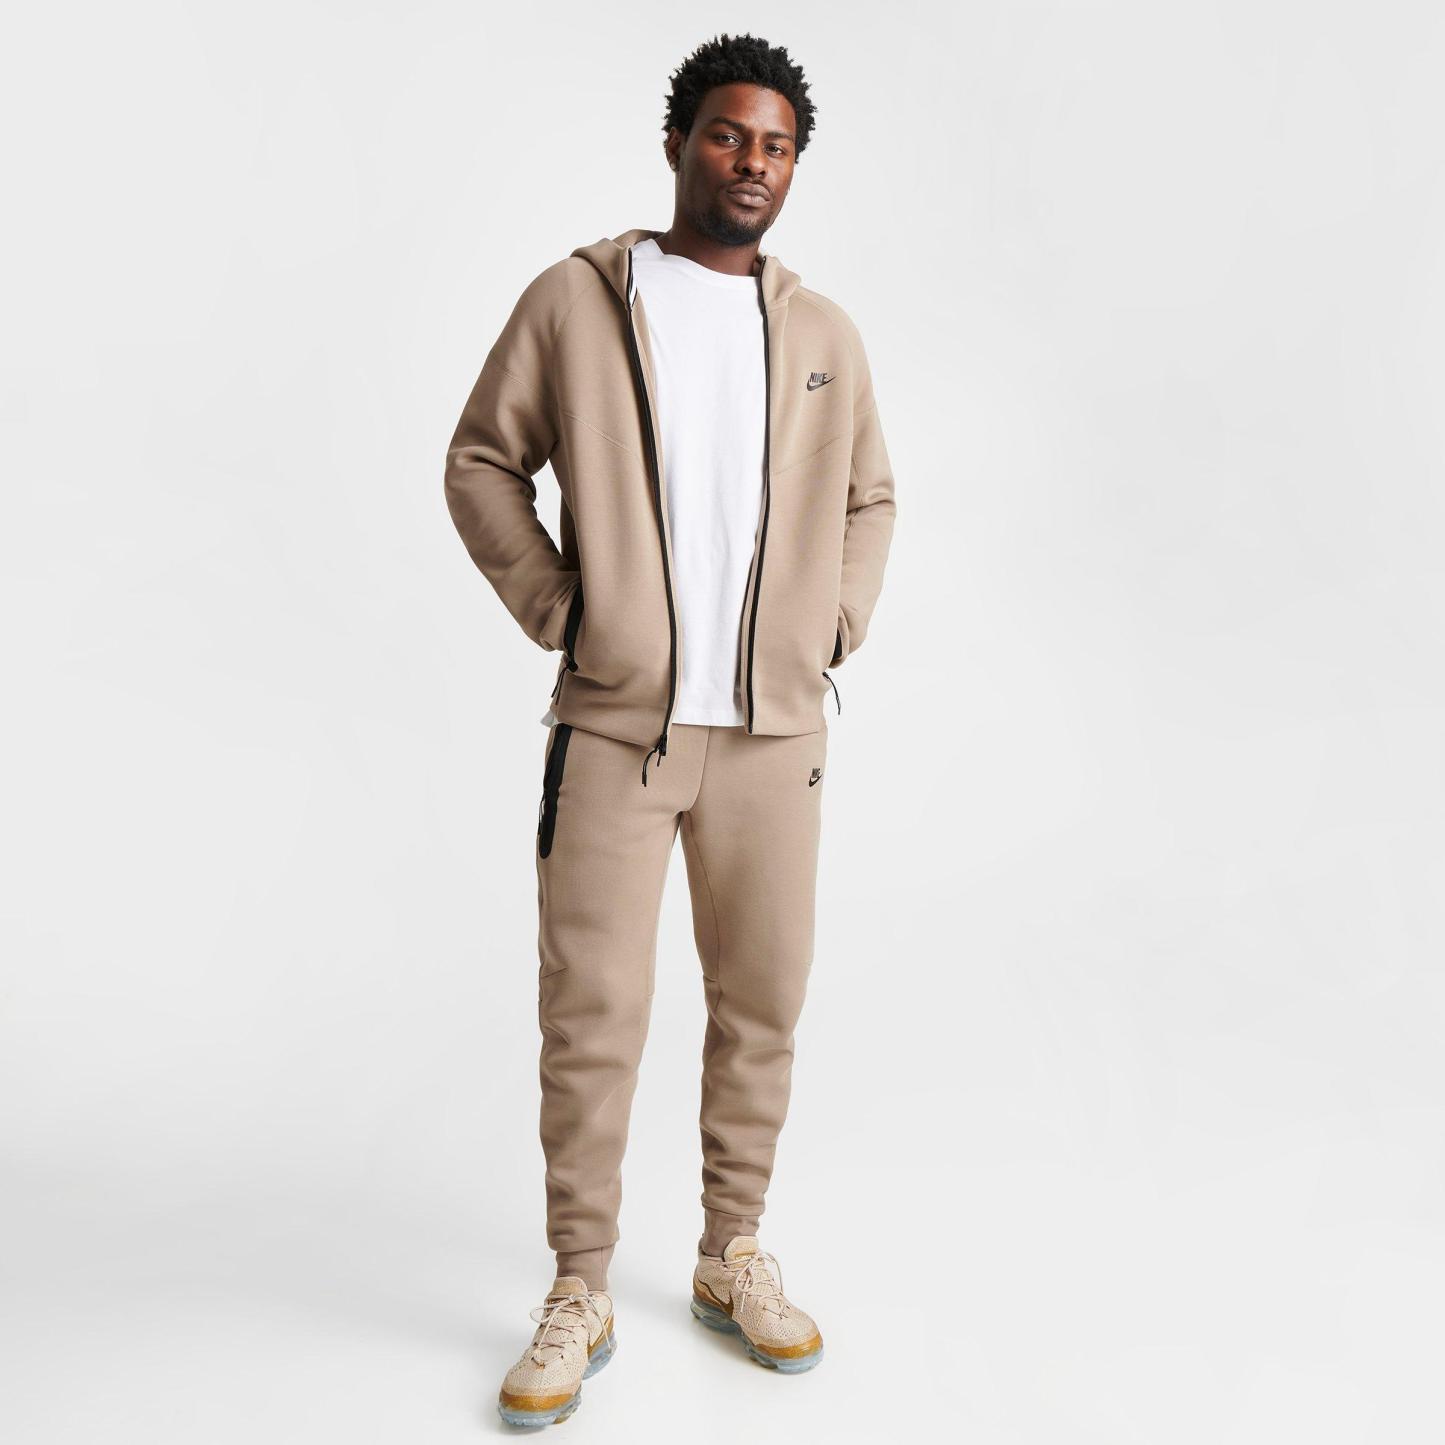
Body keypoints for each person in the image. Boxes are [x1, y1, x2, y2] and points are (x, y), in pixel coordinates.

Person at [443, 31, 897, 1429]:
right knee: (592, 1013)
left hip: (771, 737)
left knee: (761, 1004)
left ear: (793, 166)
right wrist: (563, 610)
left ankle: (729, 1251)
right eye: (726, 134)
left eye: (775, 145)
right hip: (616, 733)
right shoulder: (578, 302)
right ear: (677, 144)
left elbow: (872, 498)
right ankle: (579, 1284)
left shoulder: (822, 337)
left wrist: (831, 624)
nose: (750, 161)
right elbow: (481, 461)